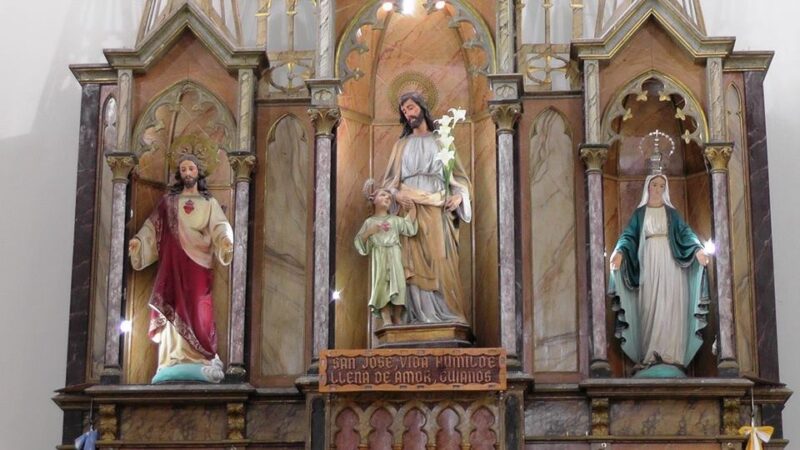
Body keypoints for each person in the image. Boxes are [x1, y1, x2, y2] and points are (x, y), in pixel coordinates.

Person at [129, 153, 233, 383]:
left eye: (191, 169)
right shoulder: (168, 202)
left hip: (198, 267)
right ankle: (171, 359)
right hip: (172, 265)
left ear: (198, 172)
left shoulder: (208, 203)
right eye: (184, 169)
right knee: (173, 304)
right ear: (179, 174)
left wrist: (225, 240)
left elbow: (219, 226)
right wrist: (139, 242)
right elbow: (152, 227)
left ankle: (202, 356)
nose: (187, 173)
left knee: (200, 310)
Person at [380, 92, 472, 324]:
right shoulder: (401, 145)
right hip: (409, 210)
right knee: (410, 262)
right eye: (404, 111)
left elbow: (460, 179)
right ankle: (417, 318)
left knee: (441, 261)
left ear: (422, 108)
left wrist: (458, 197)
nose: (408, 114)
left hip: (437, 208)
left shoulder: (442, 141)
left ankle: (446, 315)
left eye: (411, 108)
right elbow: (389, 183)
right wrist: (396, 194)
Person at [608, 173, 710, 377]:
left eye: (662, 186)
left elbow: (686, 233)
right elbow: (628, 236)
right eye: (654, 185)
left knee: (670, 305)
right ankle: (649, 355)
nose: (657, 189)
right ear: (647, 188)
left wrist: (698, 249)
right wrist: (619, 252)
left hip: (671, 265)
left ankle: (671, 356)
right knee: (649, 306)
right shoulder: (640, 214)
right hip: (648, 263)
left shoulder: (672, 213)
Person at [354, 180, 418, 326]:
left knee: (399, 285)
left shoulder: (394, 220)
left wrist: (412, 209)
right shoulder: (369, 222)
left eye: (389, 197)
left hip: (394, 255)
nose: (387, 198)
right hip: (379, 256)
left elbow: (408, 227)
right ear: (374, 200)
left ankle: (397, 317)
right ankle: (386, 319)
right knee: (381, 286)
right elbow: (359, 241)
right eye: (383, 195)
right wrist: (370, 232)